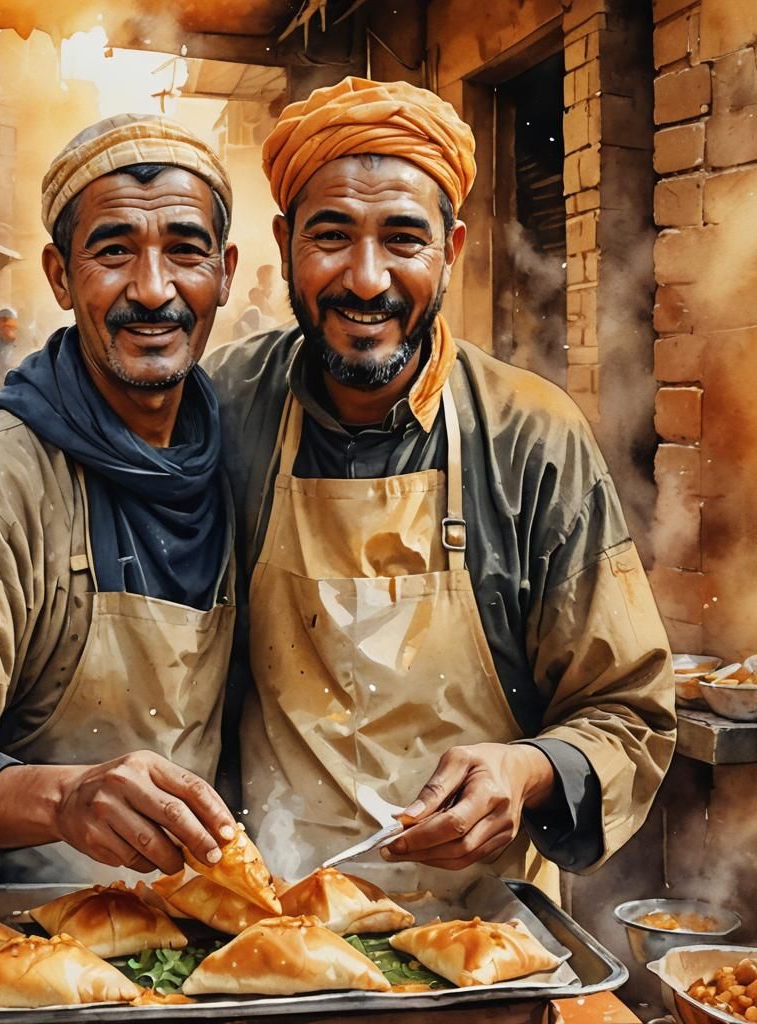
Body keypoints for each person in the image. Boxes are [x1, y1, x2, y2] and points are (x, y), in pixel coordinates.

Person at [206, 78, 676, 900]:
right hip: (266, 927)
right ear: (284, 245)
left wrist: (528, 769)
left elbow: (629, 712)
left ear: (452, 250)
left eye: (403, 238)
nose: (364, 277)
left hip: (481, 936)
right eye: (331, 235)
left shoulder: (532, 437)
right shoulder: (229, 411)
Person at [0, 113, 240, 890]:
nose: (154, 289)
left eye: (185, 252)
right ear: (61, 276)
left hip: (203, 936)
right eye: (113, 252)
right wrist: (64, 799)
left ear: (225, 273)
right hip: (34, 937)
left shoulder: (240, 445)